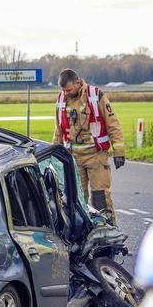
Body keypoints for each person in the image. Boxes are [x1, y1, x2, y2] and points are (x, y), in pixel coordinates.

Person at [52, 68, 125, 221]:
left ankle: (108, 231)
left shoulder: (95, 95)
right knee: (77, 198)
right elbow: (58, 131)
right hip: (74, 158)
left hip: (96, 155)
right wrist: (53, 154)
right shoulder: (60, 101)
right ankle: (82, 233)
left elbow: (113, 124)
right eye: (63, 90)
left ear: (78, 83)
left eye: (69, 90)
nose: (66, 93)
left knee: (100, 198)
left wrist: (119, 151)